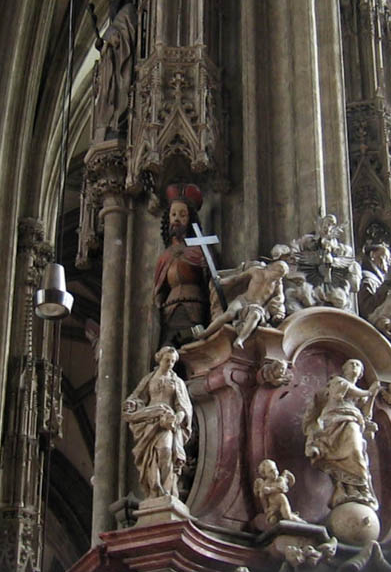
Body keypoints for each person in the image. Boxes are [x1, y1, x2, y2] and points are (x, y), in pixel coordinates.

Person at [303, 359, 381, 509]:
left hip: (353, 422)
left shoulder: (360, 392)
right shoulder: (339, 382)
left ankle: (352, 490)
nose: (354, 366)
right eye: (351, 364)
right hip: (335, 422)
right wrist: (370, 391)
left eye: (358, 365)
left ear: (360, 374)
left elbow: (366, 413)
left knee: (356, 453)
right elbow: (342, 394)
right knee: (350, 453)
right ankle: (346, 488)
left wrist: (371, 397)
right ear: (344, 369)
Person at [122, 346, 193, 499]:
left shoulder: (177, 382)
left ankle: (166, 490)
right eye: (167, 360)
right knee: (150, 457)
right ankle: (154, 490)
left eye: (173, 361)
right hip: (150, 421)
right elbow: (137, 397)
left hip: (166, 422)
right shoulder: (149, 379)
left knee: (166, 451)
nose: (170, 364)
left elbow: (184, 406)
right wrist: (132, 405)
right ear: (160, 359)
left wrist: (178, 417)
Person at [153, 184, 210, 347]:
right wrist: (157, 304)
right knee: (168, 347)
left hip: (194, 305)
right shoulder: (165, 256)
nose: (177, 219)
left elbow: (210, 283)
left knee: (191, 344)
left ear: (190, 219)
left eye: (182, 215)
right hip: (169, 309)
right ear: (168, 219)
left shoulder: (199, 250)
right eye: (173, 214)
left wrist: (205, 267)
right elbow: (159, 289)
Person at [196, 260, 288, 348]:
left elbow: (279, 298)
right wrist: (221, 281)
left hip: (256, 306)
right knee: (229, 314)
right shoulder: (256, 271)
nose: (279, 278)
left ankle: (240, 340)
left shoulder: (277, 284)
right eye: (279, 274)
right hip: (242, 300)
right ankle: (206, 333)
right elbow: (237, 278)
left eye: (281, 276)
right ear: (271, 269)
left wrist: (279, 313)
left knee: (255, 316)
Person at [92, 0, 137, 140]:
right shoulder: (116, 17)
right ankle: (110, 123)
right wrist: (102, 46)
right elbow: (112, 41)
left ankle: (119, 120)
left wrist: (111, 40)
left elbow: (125, 39)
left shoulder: (128, 11)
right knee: (108, 93)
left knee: (120, 91)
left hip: (122, 67)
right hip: (111, 69)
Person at [253, 458, 303, 525]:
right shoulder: (264, 484)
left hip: (281, 501)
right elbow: (262, 497)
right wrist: (265, 508)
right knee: (272, 520)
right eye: (271, 471)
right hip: (273, 505)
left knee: (287, 516)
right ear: (264, 473)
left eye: (275, 469)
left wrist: (271, 490)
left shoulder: (279, 480)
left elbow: (281, 489)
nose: (275, 472)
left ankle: (302, 523)